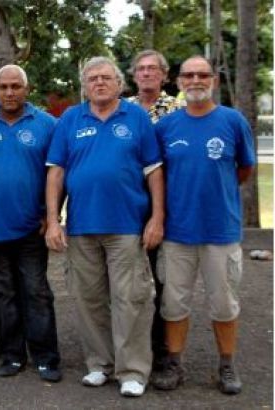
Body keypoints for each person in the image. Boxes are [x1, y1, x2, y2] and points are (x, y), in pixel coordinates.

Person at [45, 56, 164, 397]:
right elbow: (56, 173)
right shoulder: (70, 119)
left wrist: (157, 218)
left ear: (119, 84)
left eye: (106, 77)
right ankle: (100, 364)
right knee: (88, 299)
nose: (99, 83)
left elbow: (154, 171)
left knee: (131, 299)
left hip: (127, 226)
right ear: (84, 85)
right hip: (82, 227)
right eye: (92, 78)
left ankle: (132, 371)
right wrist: (54, 221)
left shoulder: (137, 117)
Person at [151, 56, 255, 395]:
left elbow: (243, 170)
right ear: (179, 82)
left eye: (202, 74)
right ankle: (175, 364)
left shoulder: (232, 121)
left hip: (219, 230)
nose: (195, 80)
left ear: (213, 80)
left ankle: (227, 364)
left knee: (223, 303)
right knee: (173, 304)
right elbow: (158, 176)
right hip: (178, 232)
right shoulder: (166, 126)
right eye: (189, 75)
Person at [0, 64, 61, 382]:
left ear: (26, 89)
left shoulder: (47, 124)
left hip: (33, 226)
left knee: (36, 291)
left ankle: (46, 356)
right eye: (3, 87)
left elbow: (57, 174)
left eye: (16, 86)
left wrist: (51, 213)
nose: (9, 92)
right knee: (3, 294)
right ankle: (12, 354)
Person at [127, 49, 184, 376]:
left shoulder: (179, 109)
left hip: (167, 209)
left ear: (164, 76)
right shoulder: (124, 110)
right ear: (134, 75)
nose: (147, 74)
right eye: (141, 69)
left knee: (165, 283)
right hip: (130, 209)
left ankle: (163, 352)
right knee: (129, 284)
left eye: (153, 69)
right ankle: (129, 347)